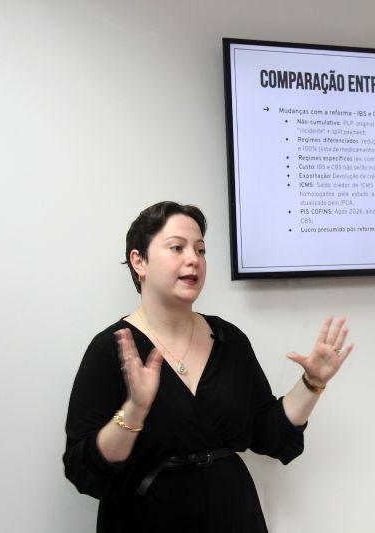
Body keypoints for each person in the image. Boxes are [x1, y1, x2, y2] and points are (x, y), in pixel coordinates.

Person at [64, 201, 353, 532]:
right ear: (139, 261)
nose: (194, 259)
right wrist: (135, 410)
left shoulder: (229, 340)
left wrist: (312, 382)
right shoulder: (110, 350)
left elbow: (269, 434)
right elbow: (84, 468)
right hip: (146, 519)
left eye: (200, 250)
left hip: (234, 515)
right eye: (177, 247)